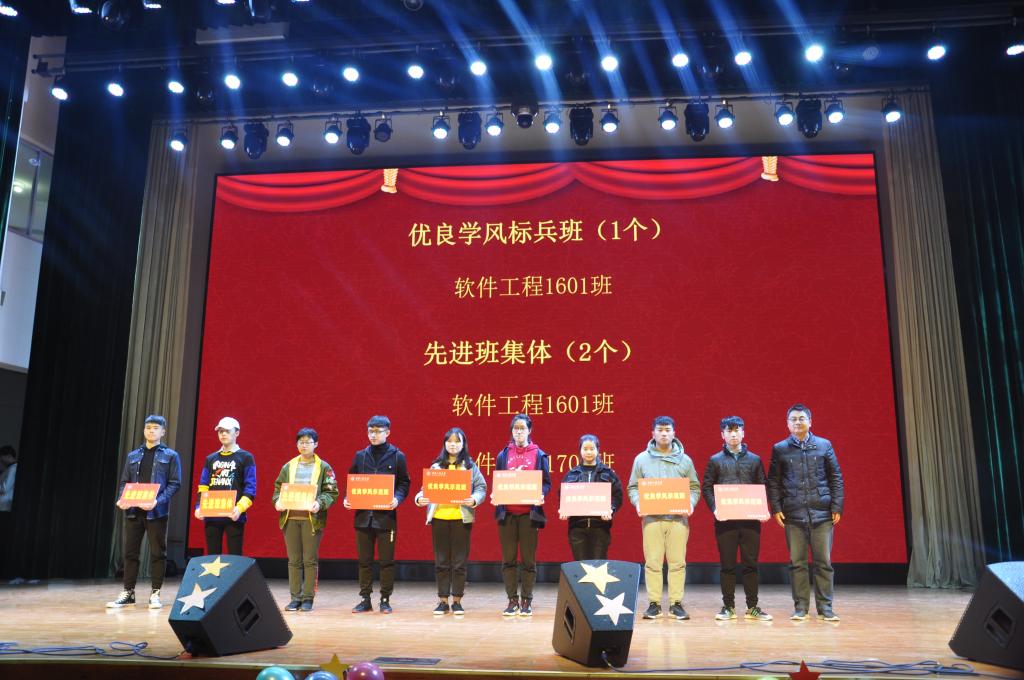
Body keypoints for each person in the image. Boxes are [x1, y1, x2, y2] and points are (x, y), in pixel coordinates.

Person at [767, 403, 844, 622]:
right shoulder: (780, 448)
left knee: (823, 563)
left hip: (822, 513)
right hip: (793, 514)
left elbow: (836, 477)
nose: (797, 422)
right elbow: (773, 481)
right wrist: (776, 508)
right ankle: (800, 608)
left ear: (810, 421)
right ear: (787, 424)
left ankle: (825, 608)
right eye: (793, 419)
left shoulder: (824, 445)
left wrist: (836, 506)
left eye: (802, 418)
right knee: (797, 563)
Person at [627, 415, 701, 621]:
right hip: (652, 519)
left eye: (668, 430)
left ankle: (676, 603)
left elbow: (694, 487)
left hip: (678, 519)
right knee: (652, 563)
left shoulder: (685, 460)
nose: (664, 434)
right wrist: (638, 503)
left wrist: (690, 503)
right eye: (660, 430)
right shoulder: (641, 459)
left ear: (674, 433)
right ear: (653, 433)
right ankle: (654, 604)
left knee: (677, 563)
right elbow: (633, 487)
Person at [106, 415, 182, 609]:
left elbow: (175, 484)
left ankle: (155, 593)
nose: (151, 430)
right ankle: (128, 592)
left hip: (156, 512)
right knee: (130, 553)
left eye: (156, 428)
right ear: (144, 430)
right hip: (133, 511)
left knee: (158, 553)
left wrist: (157, 501)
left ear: (163, 432)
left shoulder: (170, 455)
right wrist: (122, 498)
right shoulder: (133, 455)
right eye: (148, 427)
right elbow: (125, 482)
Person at [701, 416, 771, 622]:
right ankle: (728, 607)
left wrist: (763, 508)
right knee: (727, 565)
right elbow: (707, 487)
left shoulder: (755, 460)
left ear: (743, 433)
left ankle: (752, 607)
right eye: (729, 431)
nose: (733, 434)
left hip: (750, 521)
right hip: (725, 522)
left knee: (751, 565)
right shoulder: (715, 460)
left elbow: (763, 485)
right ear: (722, 435)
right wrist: (715, 508)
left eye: (737, 430)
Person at [414, 427, 487, 616]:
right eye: (449, 441)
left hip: (461, 519)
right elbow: (425, 490)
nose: (453, 445)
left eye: (457, 441)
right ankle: (442, 601)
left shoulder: (470, 466)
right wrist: (419, 498)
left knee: (459, 562)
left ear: (463, 444)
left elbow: (481, 487)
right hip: (439, 518)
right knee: (441, 561)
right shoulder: (436, 467)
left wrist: (474, 499)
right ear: (444, 444)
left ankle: (457, 601)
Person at [344, 415, 410, 614]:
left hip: (386, 518)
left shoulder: (397, 456)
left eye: (378, 431)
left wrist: (397, 499)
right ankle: (365, 599)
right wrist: (348, 498)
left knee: (386, 561)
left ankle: (385, 599)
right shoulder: (360, 456)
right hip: (363, 517)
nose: (373, 435)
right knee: (364, 561)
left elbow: (404, 483)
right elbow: (352, 481)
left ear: (387, 432)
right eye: (370, 431)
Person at [272, 427, 339, 612]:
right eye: (301, 442)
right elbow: (278, 489)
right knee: (293, 560)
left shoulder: (324, 467)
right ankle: (295, 598)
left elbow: (331, 492)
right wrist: (277, 502)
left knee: (309, 560)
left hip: (312, 519)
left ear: (315, 444)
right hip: (290, 518)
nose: (304, 445)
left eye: (308, 442)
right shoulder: (288, 466)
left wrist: (320, 503)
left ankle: (308, 597)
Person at [494, 413, 551, 617]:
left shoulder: (539, 455)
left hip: (529, 515)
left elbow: (546, 483)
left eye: (522, 428)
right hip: (507, 515)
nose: (519, 432)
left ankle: (526, 599)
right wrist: (495, 494)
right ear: (512, 431)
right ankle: (512, 600)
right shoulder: (503, 455)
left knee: (528, 560)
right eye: (515, 428)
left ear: (529, 430)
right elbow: (499, 481)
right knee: (508, 560)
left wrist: (541, 494)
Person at [193, 416, 257, 555]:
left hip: (234, 515)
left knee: (234, 557)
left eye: (227, 431)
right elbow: (203, 486)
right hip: (211, 514)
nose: (223, 434)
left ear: (237, 433)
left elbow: (250, 488)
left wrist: (239, 509)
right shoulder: (211, 458)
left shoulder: (246, 457)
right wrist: (198, 507)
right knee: (212, 557)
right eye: (220, 431)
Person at [559, 434, 623, 560]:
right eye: (585, 449)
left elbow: (618, 495)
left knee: (598, 566)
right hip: (577, 527)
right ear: (580, 450)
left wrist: (611, 509)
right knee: (580, 566)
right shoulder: (572, 474)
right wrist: (563, 509)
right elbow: (562, 496)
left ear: (598, 450)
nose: (589, 452)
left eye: (592, 449)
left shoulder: (608, 473)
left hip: (600, 527)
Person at [0, 445, 16, 512]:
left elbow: (5, 487)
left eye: (2, 458)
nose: (1, 460)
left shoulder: (13, 468)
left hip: (4, 504)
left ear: (9, 456)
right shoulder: (10, 468)